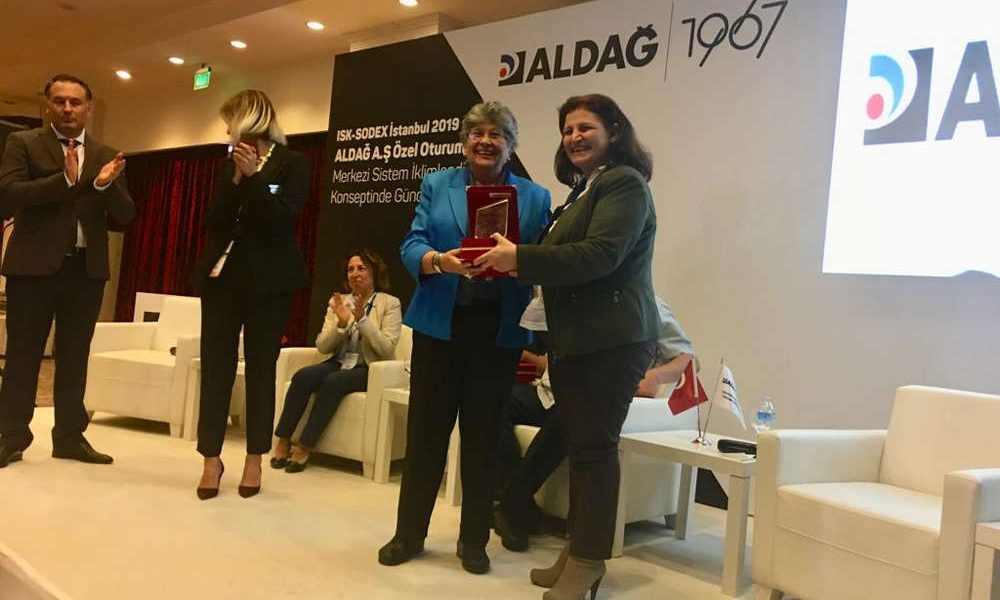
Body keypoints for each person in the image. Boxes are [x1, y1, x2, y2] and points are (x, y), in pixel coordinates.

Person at [475, 94, 659, 599]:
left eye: (585, 127)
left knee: (594, 450)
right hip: (580, 340)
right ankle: (578, 552)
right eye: (567, 129)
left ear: (614, 131)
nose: (574, 137)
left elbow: (600, 255)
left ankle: (589, 561)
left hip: (612, 340)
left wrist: (520, 258)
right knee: (582, 450)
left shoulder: (624, 183)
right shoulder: (584, 190)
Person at [378, 101, 551, 575]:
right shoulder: (437, 184)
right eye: (477, 133)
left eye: (497, 135)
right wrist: (439, 261)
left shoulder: (535, 197)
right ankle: (409, 534)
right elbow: (412, 243)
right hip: (440, 326)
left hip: (498, 332)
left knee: (483, 440)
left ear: (511, 147)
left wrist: (518, 260)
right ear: (465, 141)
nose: (485, 142)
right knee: (425, 435)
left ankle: (473, 541)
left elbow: (541, 258)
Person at [0, 74, 134, 468]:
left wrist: (105, 185)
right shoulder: (23, 143)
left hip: (85, 271)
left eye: (76, 102)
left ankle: (70, 437)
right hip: (32, 269)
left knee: (75, 357)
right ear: (48, 106)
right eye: (60, 101)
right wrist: (63, 180)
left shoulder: (106, 154)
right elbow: (8, 194)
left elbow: (127, 213)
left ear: (89, 108)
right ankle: (11, 436)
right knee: (23, 355)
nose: (68, 109)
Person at [493, 297, 694, 552]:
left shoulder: (648, 302)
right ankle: (521, 506)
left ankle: (512, 503)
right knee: (496, 403)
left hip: (589, 401)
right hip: (548, 391)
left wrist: (654, 376)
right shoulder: (571, 298)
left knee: (573, 413)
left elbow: (689, 360)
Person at [190, 89, 310, 499]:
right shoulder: (227, 166)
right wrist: (237, 179)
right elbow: (214, 221)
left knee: (261, 369)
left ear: (250, 121)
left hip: (269, 283)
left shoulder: (293, 163)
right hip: (222, 279)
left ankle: (254, 457)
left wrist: (255, 178)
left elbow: (282, 221)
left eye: (231, 122)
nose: (227, 130)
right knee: (216, 367)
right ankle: (210, 458)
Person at [271, 249, 402, 473]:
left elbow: (387, 348)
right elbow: (322, 345)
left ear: (374, 272)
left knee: (334, 382)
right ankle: (283, 439)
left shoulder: (389, 303)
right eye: (350, 269)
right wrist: (341, 324)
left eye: (361, 268)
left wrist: (363, 321)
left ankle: (305, 446)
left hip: (368, 368)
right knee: (303, 376)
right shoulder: (339, 302)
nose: (355, 274)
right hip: (338, 362)